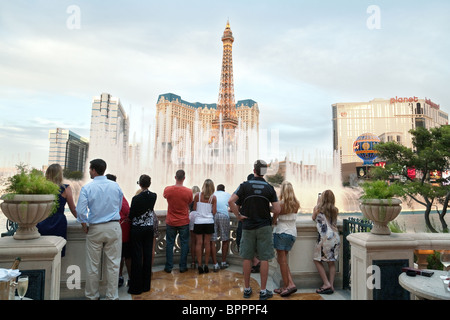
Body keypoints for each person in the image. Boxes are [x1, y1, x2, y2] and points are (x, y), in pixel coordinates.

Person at [229, 160, 280, 300]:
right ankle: (263, 291)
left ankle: (246, 289)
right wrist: (272, 218)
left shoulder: (245, 186)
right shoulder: (269, 188)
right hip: (264, 226)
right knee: (264, 258)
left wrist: (238, 216)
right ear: (265, 172)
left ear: (254, 170)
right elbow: (277, 209)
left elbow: (230, 201)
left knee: (247, 258)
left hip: (248, 226)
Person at [76, 159, 123, 300]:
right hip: (114, 226)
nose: (89, 172)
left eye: (90, 169)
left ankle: (92, 296)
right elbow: (119, 206)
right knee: (114, 265)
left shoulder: (87, 188)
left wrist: (84, 225)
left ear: (94, 170)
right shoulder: (116, 186)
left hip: (95, 228)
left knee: (93, 266)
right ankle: (112, 296)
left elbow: (80, 211)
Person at [37, 163, 77, 257]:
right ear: (60, 174)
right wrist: (83, 221)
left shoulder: (42, 188)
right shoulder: (65, 188)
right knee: (58, 251)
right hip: (58, 222)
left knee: (42, 252)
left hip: (42, 221)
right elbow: (73, 209)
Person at [127, 174, 157, 295]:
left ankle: (136, 287)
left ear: (140, 184)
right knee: (148, 255)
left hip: (138, 229)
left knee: (137, 257)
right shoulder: (154, 196)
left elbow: (132, 214)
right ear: (149, 184)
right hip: (149, 228)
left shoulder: (136, 199)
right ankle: (146, 285)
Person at [272, 181, 300, 297]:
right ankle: (288, 284)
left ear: (283, 191)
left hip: (281, 233)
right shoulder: (296, 204)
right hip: (292, 234)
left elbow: (274, 221)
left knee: (282, 261)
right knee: (282, 260)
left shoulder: (280, 204)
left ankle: (288, 286)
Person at [163, 169, 193, 273]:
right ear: (184, 178)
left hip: (171, 221)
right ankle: (182, 266)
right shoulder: (189, 192)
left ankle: (168, 266)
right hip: (184, 221)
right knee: (184, 243)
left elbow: (165, 196)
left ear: (175, 177)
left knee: (169, 243)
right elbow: (189, 203)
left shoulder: (168, 190)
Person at [312, 189, 340, 295]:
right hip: (335, 238)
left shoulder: (318, 208)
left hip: (325, 238)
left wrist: (317, 203)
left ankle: (326, 283)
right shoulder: (335, 210)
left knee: (316, 260)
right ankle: (331, 286)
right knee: (331, 262)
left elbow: (313, 217)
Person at [106, 174, 130, 288]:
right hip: (120, 229)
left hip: (103, 228)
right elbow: (126, 210)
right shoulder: (118, 193)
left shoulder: (101, 193)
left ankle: (115, 278)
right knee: (123, 255)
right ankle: (124, 277)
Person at [193, 179, 217, 273]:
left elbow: (194, 208)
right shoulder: (213, 198)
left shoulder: (197, 196)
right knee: (207, 243)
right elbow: (214, 212)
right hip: (209, 221)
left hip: (198, 221)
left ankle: (199, 265)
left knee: (199, 243)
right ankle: (206, 265)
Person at [211, 184, 231, 269]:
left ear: (216, 189)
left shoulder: (212, 194)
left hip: (213, 215)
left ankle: (215, 264)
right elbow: (232, 205)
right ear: (224, 190)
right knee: (225, 239)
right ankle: (223, 262)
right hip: (224, 215)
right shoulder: (228, 195)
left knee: (212, 240)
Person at [189, 185, 200, 269]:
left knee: (193, 242)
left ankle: (193, 261)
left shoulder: (190, 199)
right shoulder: (200, 199)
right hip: (199, 218)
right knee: (199, 242)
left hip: (191, 217)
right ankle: (200, 261)